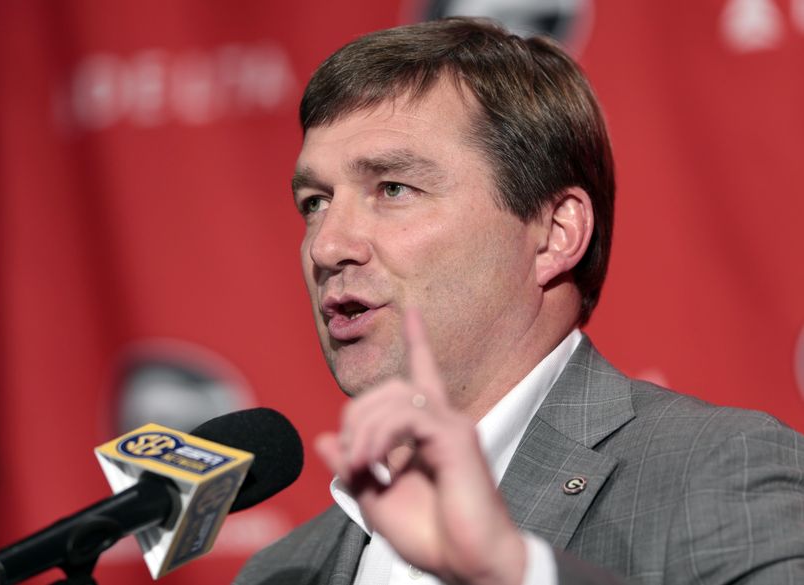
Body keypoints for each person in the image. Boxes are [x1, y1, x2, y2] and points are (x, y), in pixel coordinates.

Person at [234, 17, 804, 585]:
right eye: (314, 202)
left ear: (555, 234)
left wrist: (517, 572)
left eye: (393, 189)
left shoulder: (718, 468)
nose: (328, 245)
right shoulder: (280, 571)